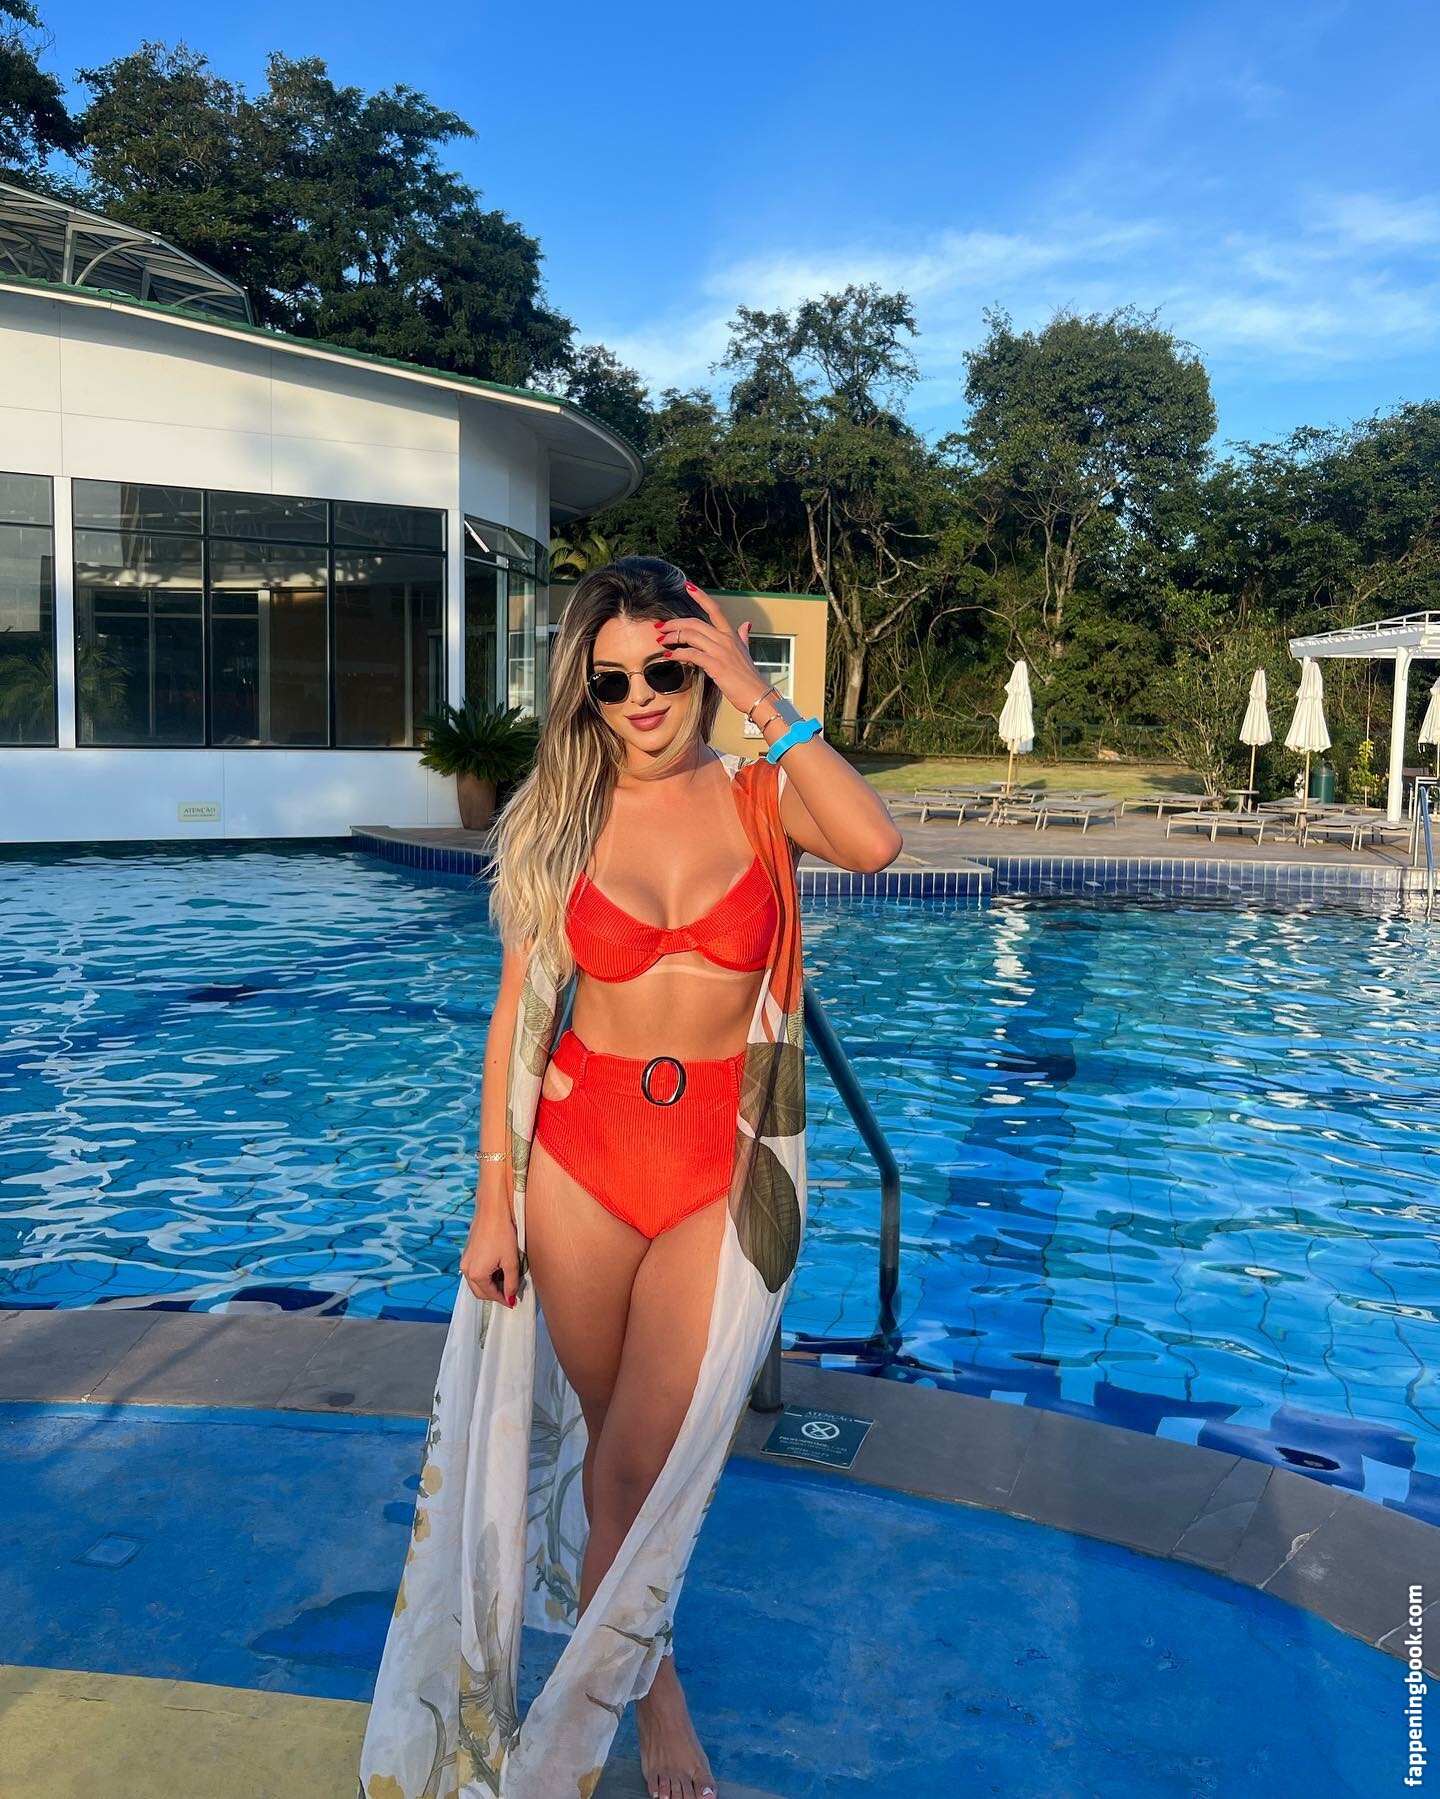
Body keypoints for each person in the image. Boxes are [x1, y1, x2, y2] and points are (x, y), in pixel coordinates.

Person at [358, 557, 902, 1799]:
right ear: (583, 690)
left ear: (703, 664)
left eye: (666, 667)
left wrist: (758, 694)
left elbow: (876, 841)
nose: (642, 697)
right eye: (611, 680)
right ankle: (653, 1690)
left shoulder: (764, 793)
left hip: (721, 1161)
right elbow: (517, 1014)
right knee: (615, 1455)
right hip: (580, 1157)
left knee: (634, 1469)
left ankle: (591, 1723)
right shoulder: (559, 810)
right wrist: (491, 1204)